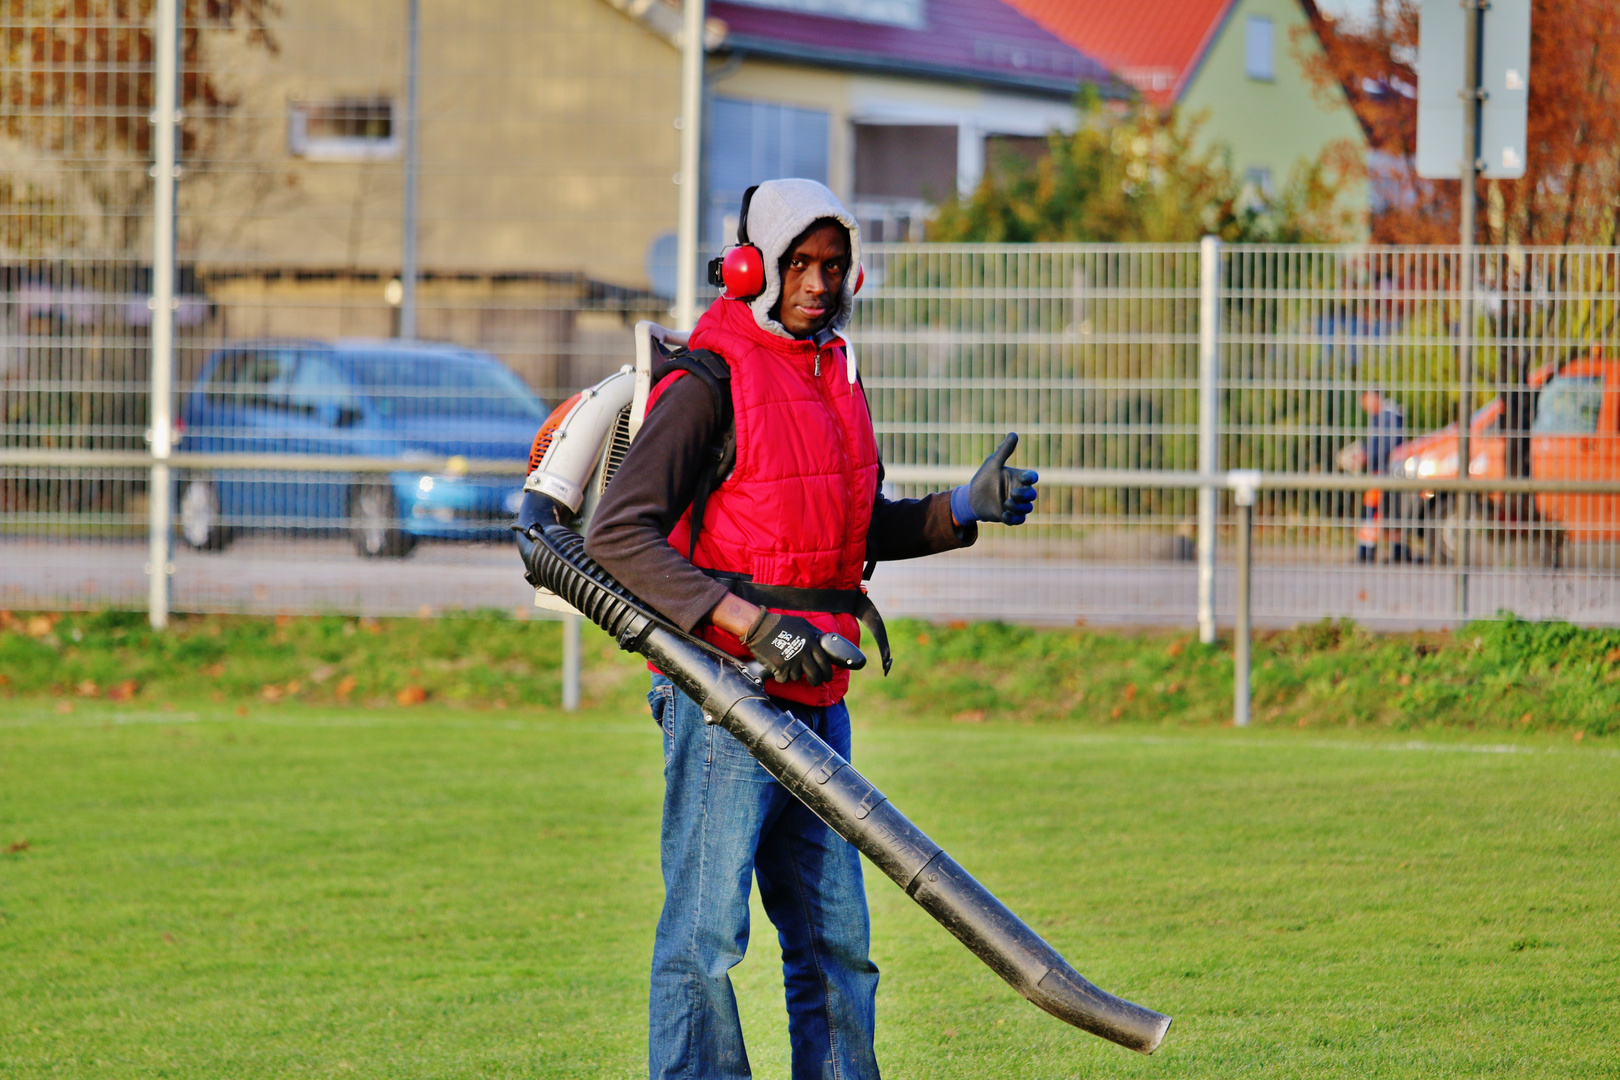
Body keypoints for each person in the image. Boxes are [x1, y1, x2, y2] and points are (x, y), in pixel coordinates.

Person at [584, 178, 1037, 1080]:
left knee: (838, 949)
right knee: (706, 945)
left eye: (834, 265)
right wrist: (750, 627)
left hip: (819, 702)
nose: (820, 283)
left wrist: (957, 508)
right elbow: (614, 537)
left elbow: (848, 532)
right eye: (800, 264)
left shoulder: (836, 375)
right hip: (723, 703)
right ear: (752, 265)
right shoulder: (706, 379)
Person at [1354, 389, 1406, 562]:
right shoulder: (1382, 416)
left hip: (1385, 473)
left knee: (1374, 511)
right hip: (1384, 472)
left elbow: (1388, 445)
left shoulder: (1388, 416)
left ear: (1374, 397)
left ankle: (1367, 552)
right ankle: (1393, 551)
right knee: (1385, 513)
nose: (1365, 407)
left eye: (1366, 401)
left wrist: (1366, 455)